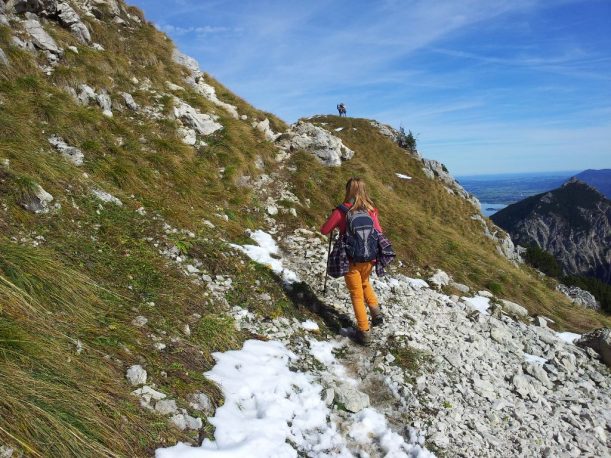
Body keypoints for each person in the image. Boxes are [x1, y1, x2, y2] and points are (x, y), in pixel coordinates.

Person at [320, 177, 383, 345]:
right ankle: (376, 312)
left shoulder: (342, 211)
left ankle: (364, 332)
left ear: (348, 190)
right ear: (364, 190)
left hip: (351, 259)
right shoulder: (371, 210)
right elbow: (379, 232)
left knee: (356, 294)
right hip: (370, 257)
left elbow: (324, 230)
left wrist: (335, 219)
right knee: (365, 283)